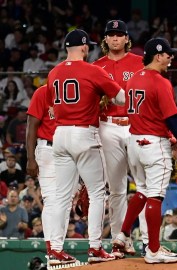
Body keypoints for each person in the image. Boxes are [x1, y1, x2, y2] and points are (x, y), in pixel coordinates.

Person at [112, 37, 177, 264]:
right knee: (156, 196)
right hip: (153, 144)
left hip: (134, 142)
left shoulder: (133, 78)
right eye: (168, 54)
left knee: (142, 191)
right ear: (158, 55)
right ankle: (153, 250)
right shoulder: (160, 82)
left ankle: (122, 235)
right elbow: (172, 119)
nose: (171, 57)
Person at [47, 29, 126, 264]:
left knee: (61, 196)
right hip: (84, 133)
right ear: (83, 47)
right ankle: (94, 248)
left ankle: (55, 250)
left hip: (60, 134)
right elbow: (121, 98)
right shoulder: (93, 70)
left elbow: (53, 106)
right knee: (97, 193)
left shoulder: (53, 73)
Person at [92, 20, 146, 259]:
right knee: (116, 188)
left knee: (144, 186)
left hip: (135, 125)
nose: (115, 38)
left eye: (119, 35)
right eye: (110, 35)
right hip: (108, 127)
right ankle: (119, 239)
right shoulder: (96, 66)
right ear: (105, 40)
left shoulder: (139, 62)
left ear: (126, 39)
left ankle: (147, 240)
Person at [25, 84, 57, 258]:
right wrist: (30, 158)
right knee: (51, 200)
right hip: (48, 149)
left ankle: (57, 246)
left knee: (65, 203)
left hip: (70, 151)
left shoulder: (76, 93)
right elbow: (31, 125)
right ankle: (51, 248)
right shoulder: (43, 92)